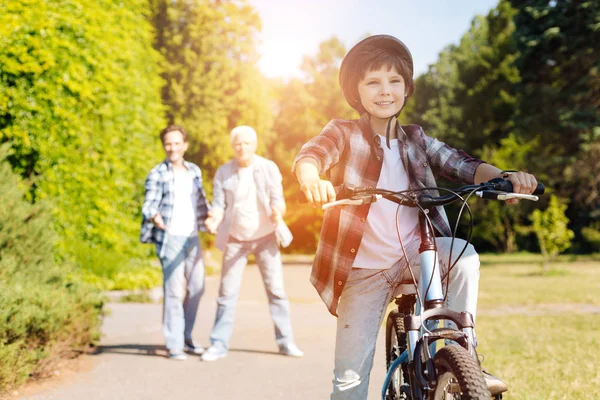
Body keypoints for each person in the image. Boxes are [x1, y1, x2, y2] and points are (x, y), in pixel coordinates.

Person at [293, 35, 538, 399]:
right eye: (372, 82)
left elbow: (463, 165)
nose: (384, 90)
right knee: (349, 383)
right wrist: (311, 178)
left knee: (465, 256)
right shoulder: (344, 133)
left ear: (406, 89)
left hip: (415, 258)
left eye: (394, 81)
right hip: (364, 270)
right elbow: (312, 154)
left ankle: (461, 356)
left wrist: (505, 176)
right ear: (356, 92)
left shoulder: (416, 139)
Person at [201, 125, 303, 362]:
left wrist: (278, 212)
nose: (241, 147)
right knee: (226, 293)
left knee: (276, 291)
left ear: (254, 145)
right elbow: (218, 204)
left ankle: (286, 342)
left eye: (246, 143)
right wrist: (214, 218)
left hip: (265, 236)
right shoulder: (224, 172)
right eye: (237, 143)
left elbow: (278, 200)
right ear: (232, 146)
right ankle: (218, 344)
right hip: (236, 239)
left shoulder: (268, 168)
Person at [140, 124, 210, 361]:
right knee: (173, 291)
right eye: (168, 144)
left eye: (177, 143)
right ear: (164, 146)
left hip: (192, 237)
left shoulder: (194, 171)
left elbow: (202, 202)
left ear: (185, 145)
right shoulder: (157, 173)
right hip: (170, 238)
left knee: (198, 287)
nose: (172, 148)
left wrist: (210, 220)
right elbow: (149, 203)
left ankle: (186, 337)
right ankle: (174, 344)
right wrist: (154, 215)